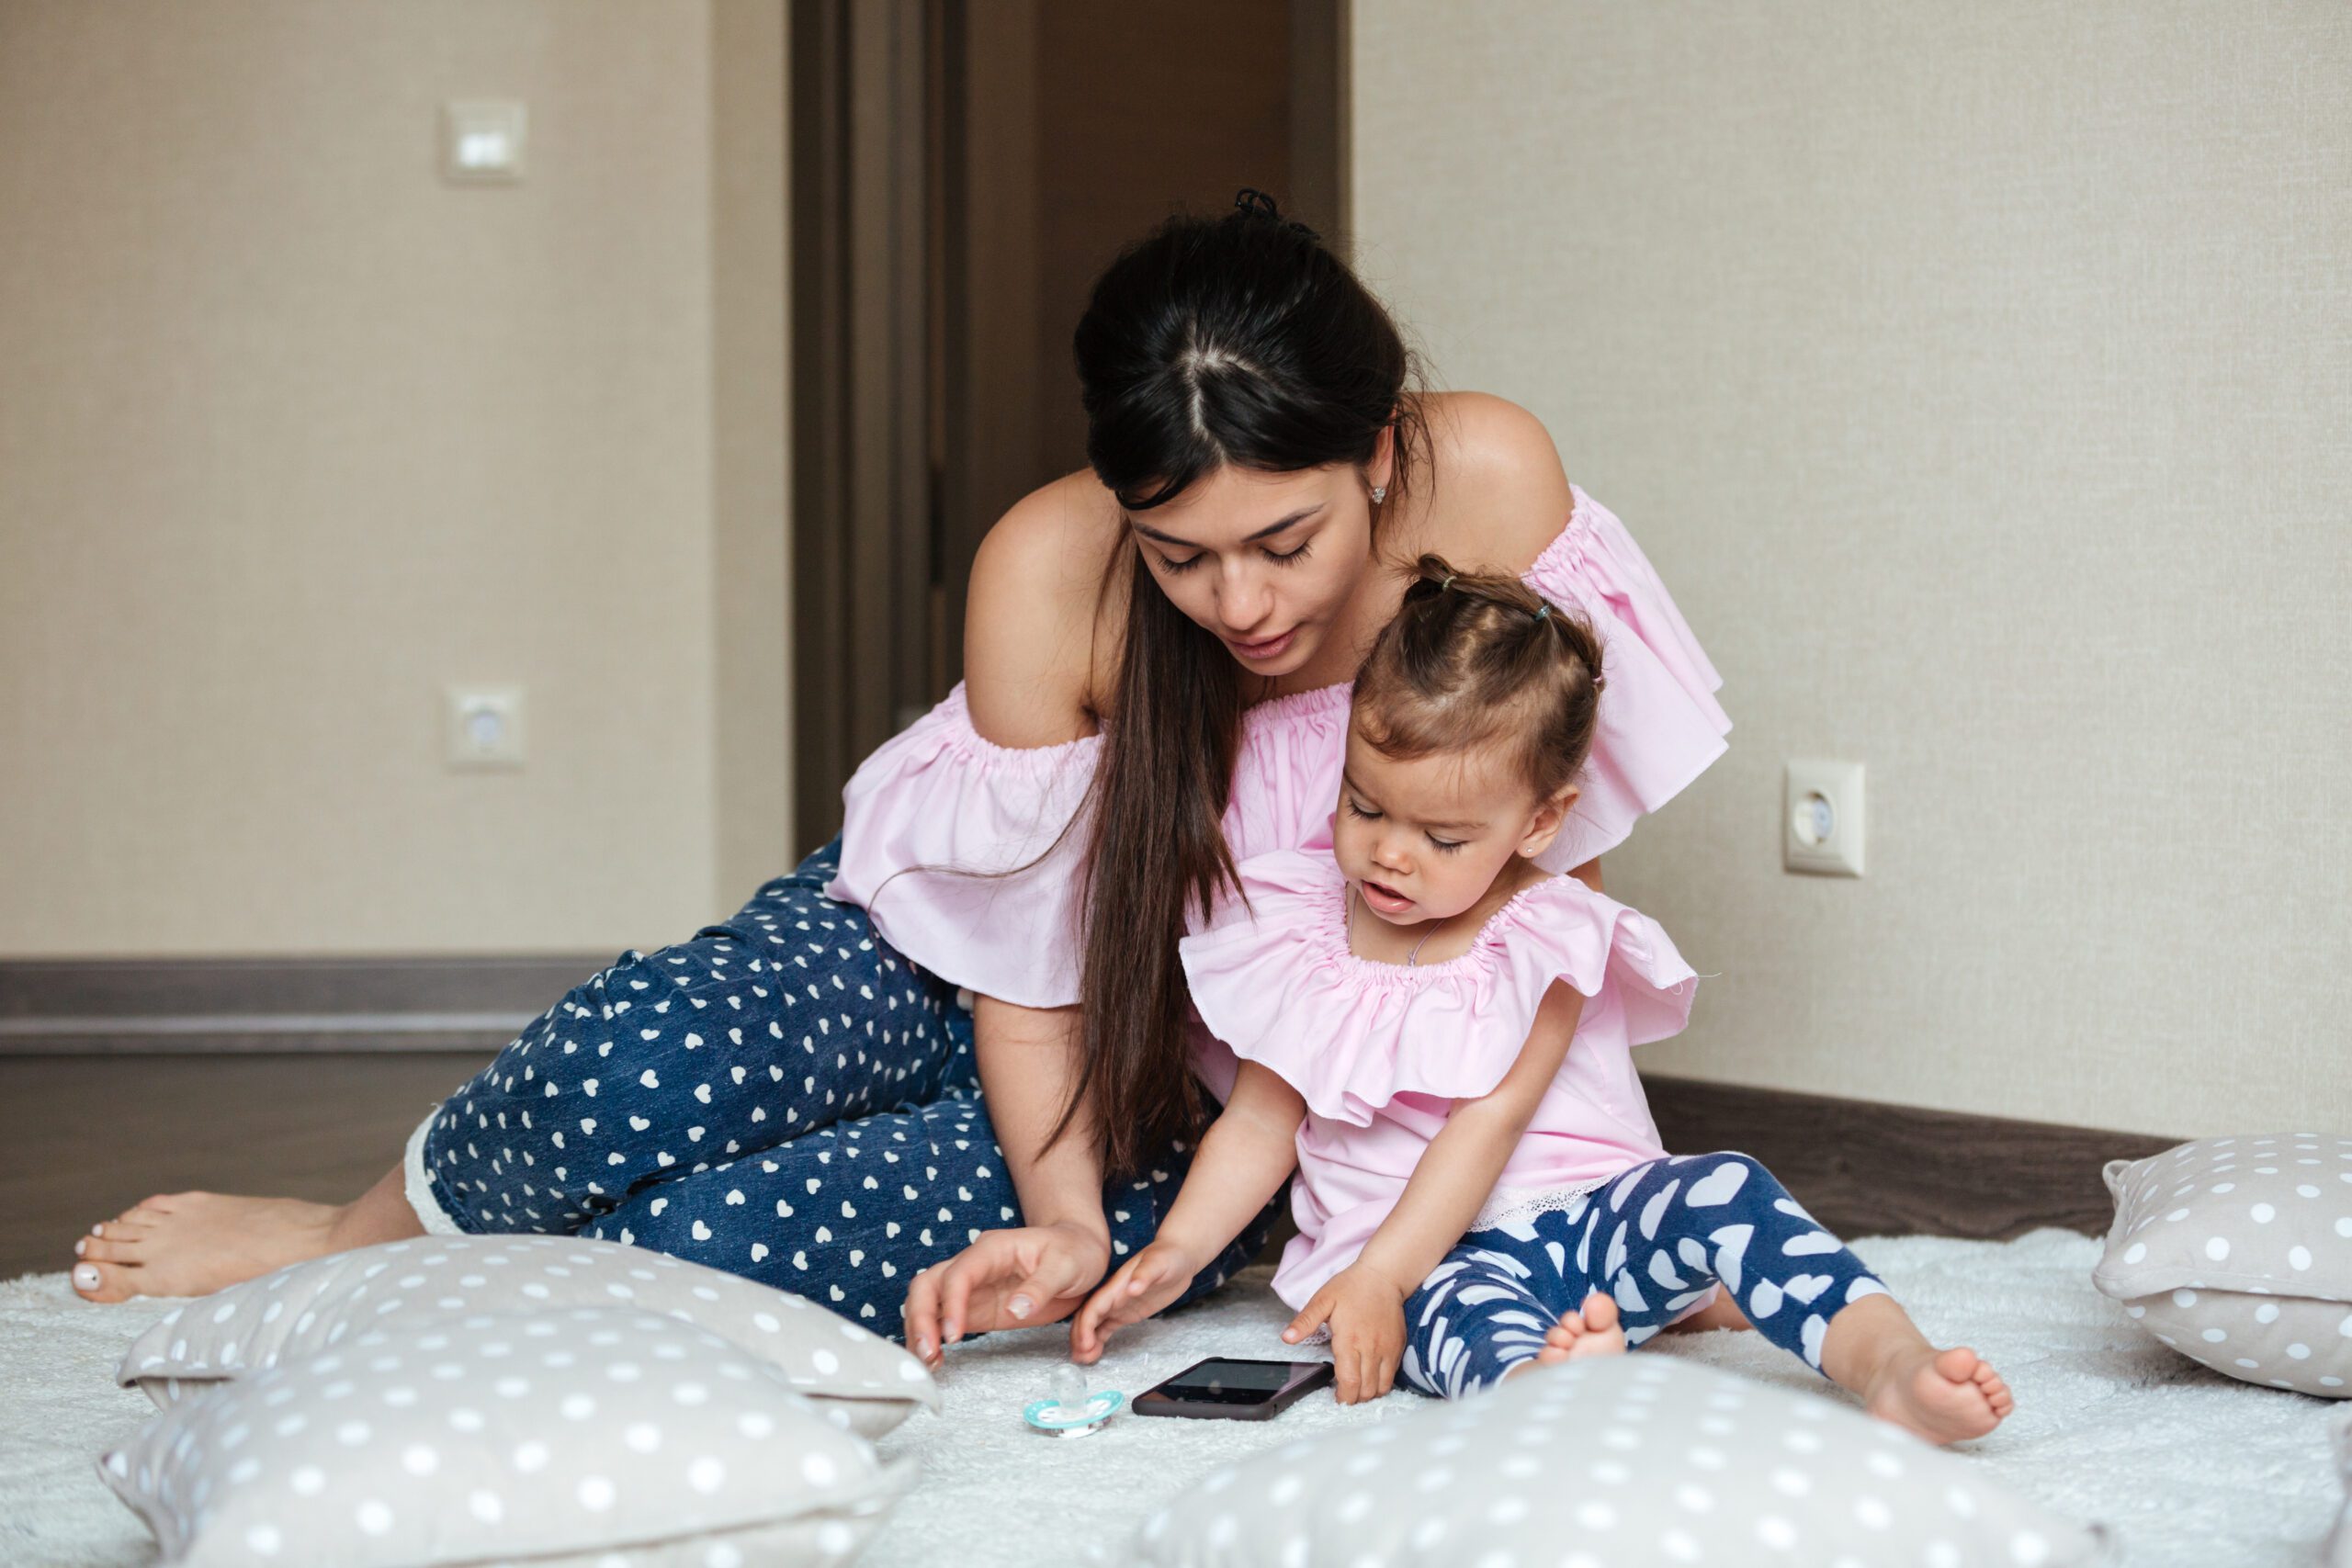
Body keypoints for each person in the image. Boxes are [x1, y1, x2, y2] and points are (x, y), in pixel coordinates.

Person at [69, 193, 1731, 1371]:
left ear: (1378, 457)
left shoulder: (1489, 480)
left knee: (710, 1253)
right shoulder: (1045, 571)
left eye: (1286, 542)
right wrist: (1054, 1189)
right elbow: (1020, 970)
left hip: (1208, 1066)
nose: (1245, 607)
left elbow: (1514, 869)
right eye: (1184, 557)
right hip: (973, 970)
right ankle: (348, 1234)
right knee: (626, 1079)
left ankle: (444, 1294)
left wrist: (1086, 1233)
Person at [1065, 558, 2014, 1444]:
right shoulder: (1304, 929)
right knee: (1454, 1322)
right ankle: (1551, 1399)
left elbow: (1488, 1124)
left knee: (1726, 1186)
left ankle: (1886, 1363)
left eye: (1442, 837)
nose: (1390, 853)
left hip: (1593, 1217)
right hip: (1432, 1264)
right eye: (1363, 807)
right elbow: (1262, 1122)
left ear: (1540, 821)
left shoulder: (1547, 934)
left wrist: (1379, 1278)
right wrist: (1181, 1251)